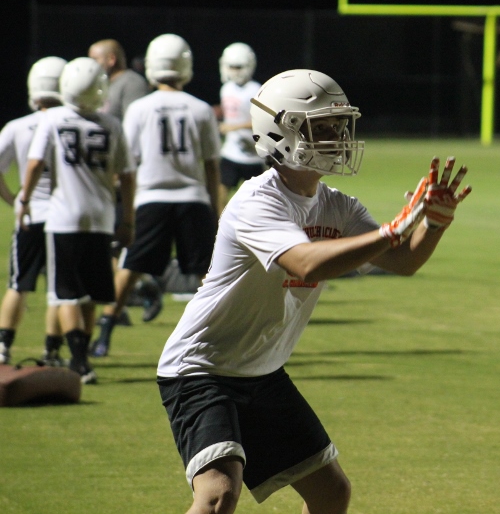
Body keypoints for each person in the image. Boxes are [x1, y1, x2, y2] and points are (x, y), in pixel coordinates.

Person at [156, 69, 471, 514]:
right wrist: (394, 229)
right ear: (280, 132)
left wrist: (433, 224)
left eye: (340, 126)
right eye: (322, 127)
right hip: (202, 367)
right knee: (218, 493)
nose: (338, 138)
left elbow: (403, 262)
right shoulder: (256, 201)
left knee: (331, 493)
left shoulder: (337, 205)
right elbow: (305, 262)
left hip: (262, 370)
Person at [90, 33, 221, 358]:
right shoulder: (201, 109)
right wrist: (214, 209)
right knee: (209, 274)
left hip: (150, 199)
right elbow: (211, 166)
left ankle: (104, 333)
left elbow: (128, 162)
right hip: (193, 199)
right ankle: (222, 335)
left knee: (130, 266)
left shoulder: (139, 108)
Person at [18, 57, 136, 384]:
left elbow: (35, 163)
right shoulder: (112, 124)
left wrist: (24, 200)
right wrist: (128, 219)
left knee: (65, 294)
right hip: (100, 217)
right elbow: (127, 175)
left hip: (64, 217)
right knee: (92, 294)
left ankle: (80, 362)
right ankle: (82, 359)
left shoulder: (53, 118)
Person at [89, 38, 162, 325]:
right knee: (109, 244)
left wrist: (123, 171)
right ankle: (138, 290)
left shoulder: (131, 83)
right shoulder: (105, 85)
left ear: (110, 59)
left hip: (124, 177)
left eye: (95, 58)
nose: (90, 65)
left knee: (118, 240)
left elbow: (135, 132)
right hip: (106, 175)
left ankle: (140, 289)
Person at [0, 56, 66, 366]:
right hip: (63, 218)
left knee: (18, 284)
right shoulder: (71, 123)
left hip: (31, 216)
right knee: (58, 290)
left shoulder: (16, 127)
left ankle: (3, 346)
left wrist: (15, 200)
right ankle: (51, 351)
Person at [216, 42, 266, 210]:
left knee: (256, 202)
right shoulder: (226, 88)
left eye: (238, 67)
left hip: (252, 155)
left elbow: (262, 121)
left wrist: (233, 127)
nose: (234, 71)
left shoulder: (255, 90)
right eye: (231, 67)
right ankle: (219, 225)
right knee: (220, 195)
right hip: (230, 152)